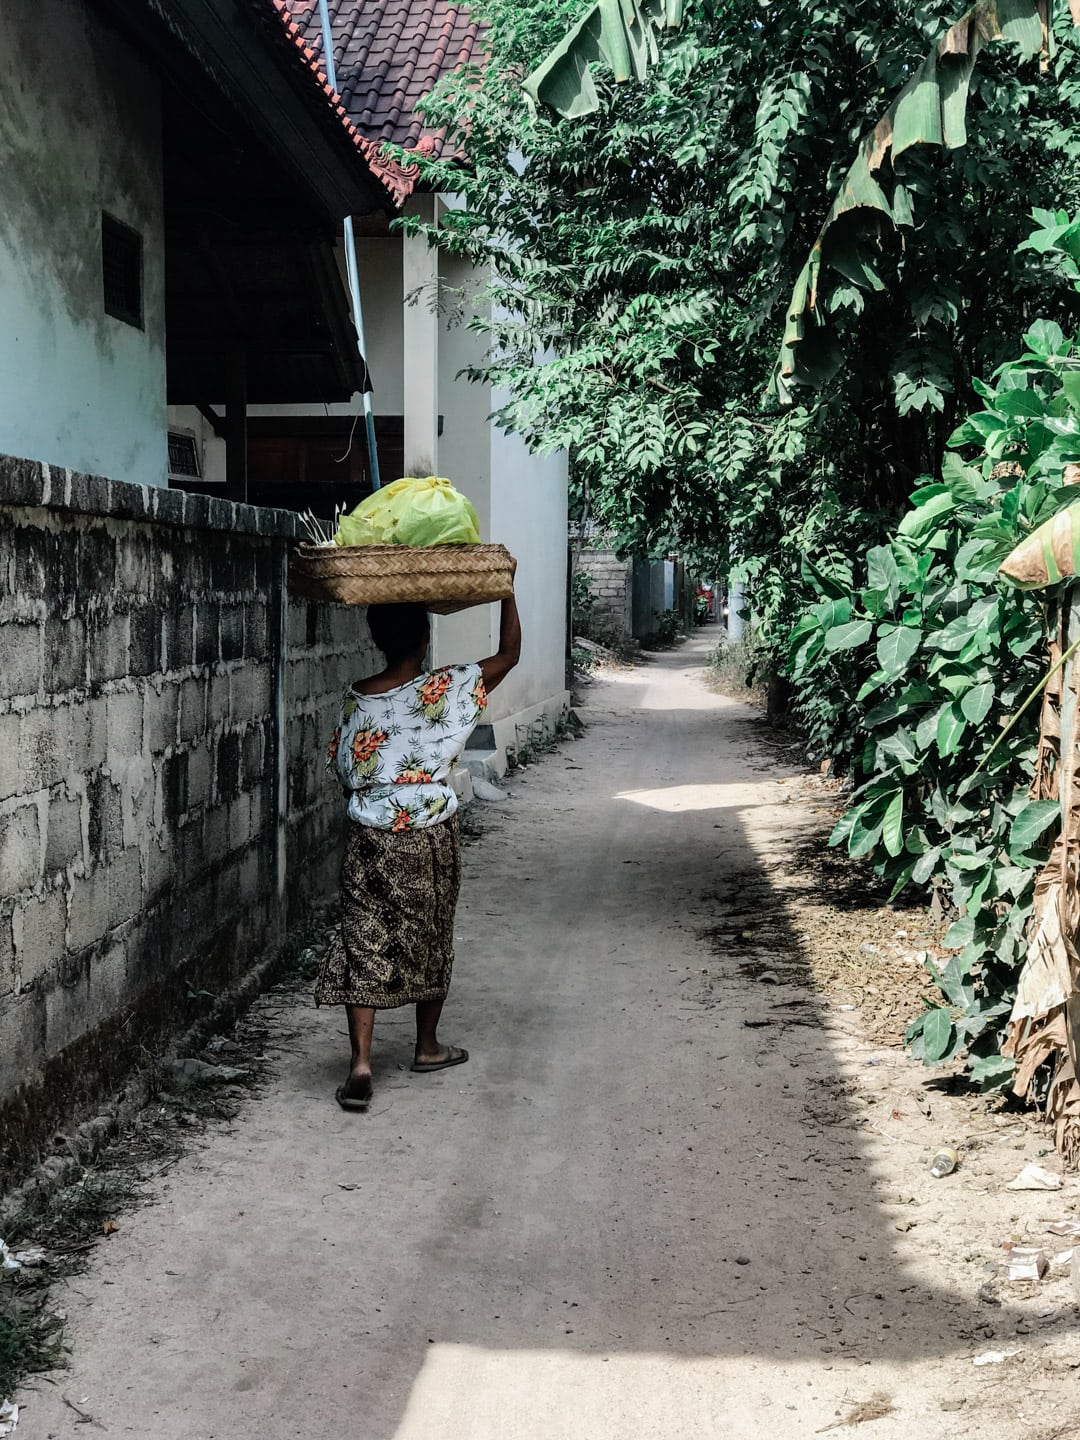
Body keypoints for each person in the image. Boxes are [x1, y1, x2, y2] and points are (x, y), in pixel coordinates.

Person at [315, 593, 521, 1110]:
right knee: (431, 929)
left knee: (364, 933)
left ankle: (361, 1061)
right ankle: (426, 1047)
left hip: (370, 832)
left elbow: (343, 771)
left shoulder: (356, 698)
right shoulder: (444, 687)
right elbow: (509, 655)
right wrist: (507, 592)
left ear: (376, 639)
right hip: (429, 831)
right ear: (425, 639)